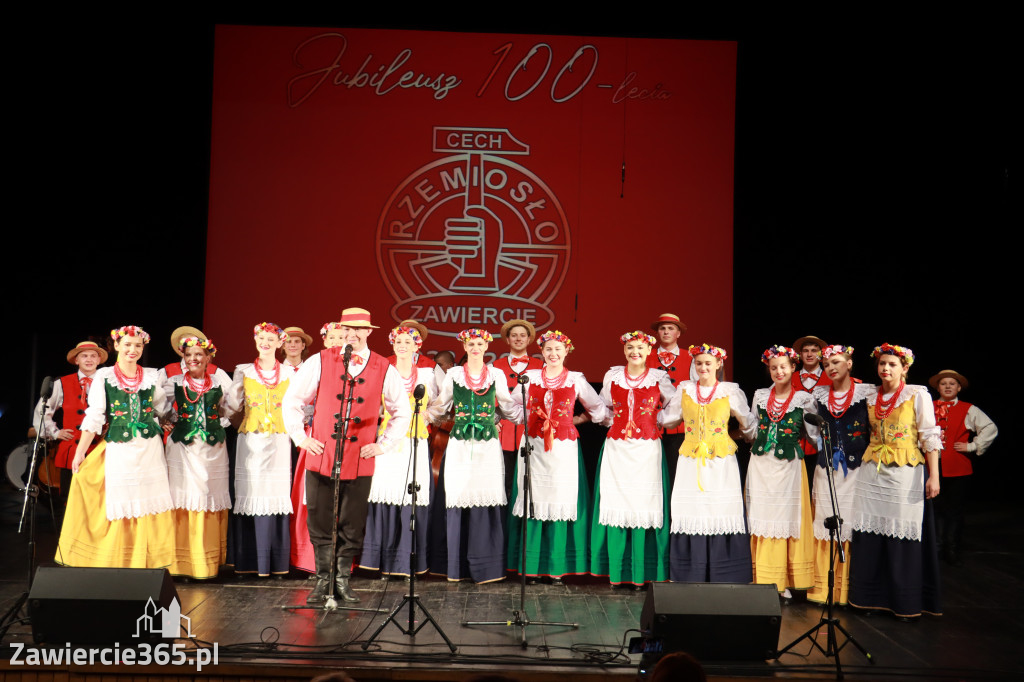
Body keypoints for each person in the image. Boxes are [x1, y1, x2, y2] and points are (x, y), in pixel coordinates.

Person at [283, 307, 411, 603]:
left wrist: (383, 444)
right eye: (348, 329)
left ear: (369, 332)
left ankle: (341, 580)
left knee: (352, 521)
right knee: (320, 517)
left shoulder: (383, 367)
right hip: (323, 452)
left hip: (360, 456)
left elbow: (402, 411)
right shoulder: (320, 360)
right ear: (342, 331)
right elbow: (292, 399)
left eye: (359, 329)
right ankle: (323, 579)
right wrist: (302, 438)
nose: (353, 333)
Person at [56, 325, 174, 568]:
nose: (132, 350)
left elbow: (162, 408)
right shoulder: (105, 376)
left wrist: (168, 421)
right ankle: (118, 559)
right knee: (119, 498)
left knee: (147, 500)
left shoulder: (152, 376)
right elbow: (95, 415)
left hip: (149, 447)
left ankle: (146, 560)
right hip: (121, 448)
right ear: (117, 346)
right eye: (127, 345)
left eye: (138, 346)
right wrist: (80, 453)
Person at [508, 330, 610, 582]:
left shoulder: (575, 379)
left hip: (563, 447)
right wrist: (528, 419)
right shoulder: (530, 377)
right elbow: (512, 406)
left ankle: (555, 567)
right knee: (534, 498)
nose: (553, 354)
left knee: (558, 498)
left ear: (567, 352)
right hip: (534, 443)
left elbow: (597, 408)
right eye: (548, 350)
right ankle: (531, 566)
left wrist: (576, 419)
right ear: (541, 352)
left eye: (558, 349)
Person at [849, 344, 942, 619]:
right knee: (871, 533)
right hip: (872, 470)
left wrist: (934, 475)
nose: (885, 369)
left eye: (891, 364)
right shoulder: (870, 395)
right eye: (882, 364)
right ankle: (869, 598)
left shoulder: (917, 395)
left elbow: (929, 436)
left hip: (906, 470)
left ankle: (904, 602)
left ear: (905, 368)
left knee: (902, 533)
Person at [427, 328, 522, 583]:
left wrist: (527, 417)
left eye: (480, 343)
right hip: (459, 443)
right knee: (457, 496)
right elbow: (442, 404)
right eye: (471, 344)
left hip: (487, 445)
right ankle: (454, 566)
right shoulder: (456, 374)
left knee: (486, 497)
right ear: (465, 346)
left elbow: (508, 406)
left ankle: (485, 566)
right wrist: (421, 415)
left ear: (486, 346)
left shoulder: (496, 374)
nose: (476, 347)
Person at [660, 343, 753, 583]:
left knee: (720, 509)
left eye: (708, 363)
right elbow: (669, 420)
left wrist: (747, 437)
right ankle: (690, 572)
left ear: (719, 364)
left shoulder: (729, 391)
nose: (702, 367)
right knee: (692, 509)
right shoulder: (685, 390)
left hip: (721, 460)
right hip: (691, 459)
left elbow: (747, 422)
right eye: (698, 363)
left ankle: (725, 572)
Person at [591, 331, 674, 586]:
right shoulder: (613, 376)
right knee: (617, 503)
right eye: (629, 348)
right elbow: (603, 406)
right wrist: (611, 422)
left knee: (644, 504)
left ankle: (643, 572)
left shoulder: (659, 377)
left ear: (649, 351)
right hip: (617, 448)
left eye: (639, 347)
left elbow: (675, 407)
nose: (634, 352)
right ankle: (617, 571)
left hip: (647, 450)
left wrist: (655, 421)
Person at [360, 325, 438, 576]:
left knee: (412, 496)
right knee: (385, 493)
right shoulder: (384, 371)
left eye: (408, 341)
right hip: (388, 442)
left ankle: (407, 562)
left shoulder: (427, 374)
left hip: (415, 441)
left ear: (417, 346)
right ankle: (380, 561)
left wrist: (427, 416)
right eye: (398, 341)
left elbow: (440, 405)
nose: (402, 345)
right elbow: (373, 404)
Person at [742, 345, 818, 598]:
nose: (779, 371)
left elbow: (813, 435)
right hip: (761, 463)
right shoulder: (761, 395)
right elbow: (753, 428)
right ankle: (759, 576)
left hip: (788, 466)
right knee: (760, 514)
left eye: (783, 366)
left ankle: (781, 580)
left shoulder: (804, 399)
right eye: (773, 367)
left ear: (793, 368)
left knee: (785, 518)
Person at [228, 322, 294, 578]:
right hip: (252, 441)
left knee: (275, 495)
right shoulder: (243, 371)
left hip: (278, 440)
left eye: (270, 339)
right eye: (261, 338)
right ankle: (249, 561)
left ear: (280, 344)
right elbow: (232, 407)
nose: (265, 342)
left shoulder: (290, 373)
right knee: (251, 492)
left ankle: (275, 562)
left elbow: (298, 405)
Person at [163, 336, 233, 579]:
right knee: (181, 500)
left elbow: (230, 409)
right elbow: (160, 408)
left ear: (208, 358)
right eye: (188, 354)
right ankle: (180, 562)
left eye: (198, 355)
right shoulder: (172, 382)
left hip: (212, 449)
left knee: (208, 498)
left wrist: (216, 423)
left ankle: (206, 562)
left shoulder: (219, 381)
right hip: (183, 447)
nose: (193, 358)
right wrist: (169, 422)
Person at [808, 345, 872, 605]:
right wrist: (826, 449)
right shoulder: (819, 395)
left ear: (849, 363)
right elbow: (812, 432)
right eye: (826, 365)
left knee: (850, 522)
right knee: (825, 521)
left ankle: (846, 590)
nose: (831, 368)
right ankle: (823, 589)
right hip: (827, 470)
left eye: (836, 362)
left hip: (857, 471)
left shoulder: (866, 393)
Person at [929, 369, 998, 565]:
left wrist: (973, 445)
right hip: (932, 466)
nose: (948, 386)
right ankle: (936, 548)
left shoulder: (968, 408)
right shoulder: (928, 406)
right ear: (938, 387)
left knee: (954, 510)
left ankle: (952, 549)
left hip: (958, 467)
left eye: (952, 383)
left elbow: (989, 427)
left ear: (959, 387)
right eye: (944, 383)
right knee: (934, 509)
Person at [34, 340, 107, 514]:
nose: (89, 359)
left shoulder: (108, 382)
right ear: (76, 360)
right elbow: (42, 411)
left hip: (100, 447)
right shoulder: (62, 383)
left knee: (99, 497)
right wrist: (55, 432)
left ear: (99, 360)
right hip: (72, 448)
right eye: (84, 356)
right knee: (71, 498)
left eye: (93, 356)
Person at [496, 319, 543, 501]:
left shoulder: (541, 367)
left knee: (529, 481)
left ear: (529, 339)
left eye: (522, 335)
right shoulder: (495, 366)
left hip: (530, 430)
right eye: (514, 335)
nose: (518, 339)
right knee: (504, 481)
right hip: (503, 431)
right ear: (507, 340)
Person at [645, 313, 693, 487]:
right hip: (650, 424)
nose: (666, 331)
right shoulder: (644, 355)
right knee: (651, 474)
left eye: (670, 328)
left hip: (679, 428)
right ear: (657, 332)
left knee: (676, 474)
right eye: (662, 328)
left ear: (678, 333)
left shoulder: (691, 358)